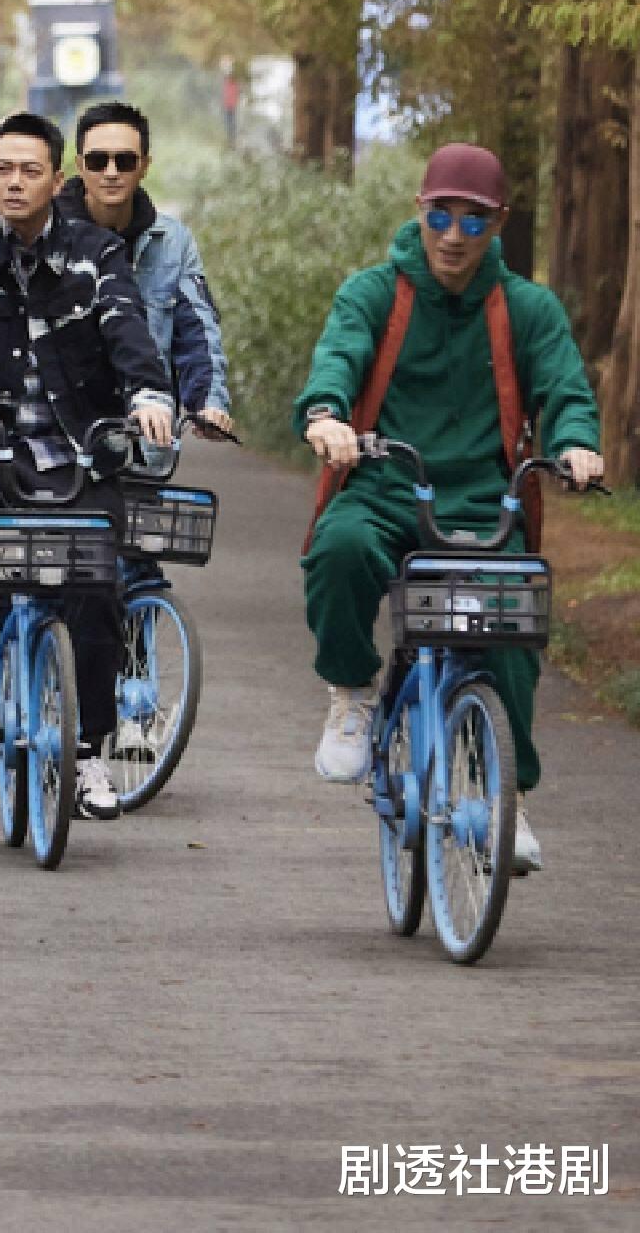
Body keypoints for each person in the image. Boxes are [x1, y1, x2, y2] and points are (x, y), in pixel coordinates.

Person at [297, 139, 602, 877]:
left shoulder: (526, 308)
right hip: (384, 484)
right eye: (442, 217)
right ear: (420, 211)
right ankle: (351, 693)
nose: (454, 237)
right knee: (338, 550)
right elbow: (337, 357)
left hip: (484, 502)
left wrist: (576, 445)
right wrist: (329, 416)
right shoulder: (375, 292)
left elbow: (564, 388)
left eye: (474, 222)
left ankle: (508, 798)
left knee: (512, 623)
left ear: (497, 226)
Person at [0, 111, 174, 822]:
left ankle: (88, 753)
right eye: (2, 169)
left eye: (29, 170)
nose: (14, 182)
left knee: (99, 586)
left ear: (59, 180)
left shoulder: (95, 253)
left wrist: (148, 394)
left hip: (77, 449)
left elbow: (126, 327)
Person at [62, 99, 233, 431]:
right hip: (58, 441)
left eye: (124, 161)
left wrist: (208, 404)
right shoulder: (43, 235)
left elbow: (198, 331)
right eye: (98, 161)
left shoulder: (172, 242)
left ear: (145, 166)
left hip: (144, 436)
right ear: (80, 165)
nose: (111, 172)